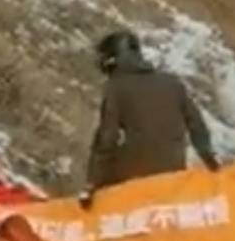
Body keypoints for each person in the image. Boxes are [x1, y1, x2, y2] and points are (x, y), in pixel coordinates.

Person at [79, 29, 219, 209]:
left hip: (133, 175)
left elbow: (107, 138)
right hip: (173, 172)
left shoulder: (115, 88)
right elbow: (197, 126)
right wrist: (212, 163)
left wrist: (91, 184)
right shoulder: (172, 83)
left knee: (107, 190)